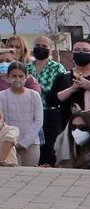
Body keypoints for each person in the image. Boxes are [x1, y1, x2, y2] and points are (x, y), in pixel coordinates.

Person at [27, 36, 69, 167]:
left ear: (50, 50)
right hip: (30, 112)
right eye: (37, 45)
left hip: (51, 112)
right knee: (34, 143)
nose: (40, 48)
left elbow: (60, 91)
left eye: (44, 46)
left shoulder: (57, 68)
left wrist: (38, 86)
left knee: (51, 145)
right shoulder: (26, 67)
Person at [0, 61, 44, 166]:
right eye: (14, 76)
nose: (17, 79)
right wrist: (12, 141)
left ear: (26, 77)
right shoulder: (2, 96)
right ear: (8, 77)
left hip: (32, 143)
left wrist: (25, 143)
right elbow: (0, 120)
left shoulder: (34, 95)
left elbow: (39, 121)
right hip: (10, 144)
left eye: (20, 76)